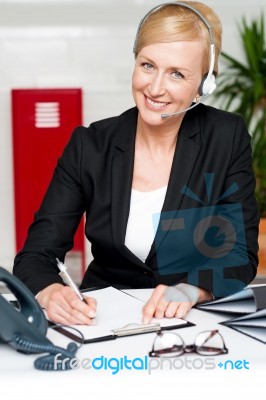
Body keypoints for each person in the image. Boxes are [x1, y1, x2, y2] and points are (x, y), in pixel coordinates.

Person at [13, 1, 259, 326]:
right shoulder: (91, 145)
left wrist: (192, 289)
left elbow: (239, 252)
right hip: (101, 319)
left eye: (177, 74)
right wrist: (49, 291)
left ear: (204, 85)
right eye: (147, 65)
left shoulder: (225, 136)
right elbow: (36, 254)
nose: (155, 88)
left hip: (189, 321)